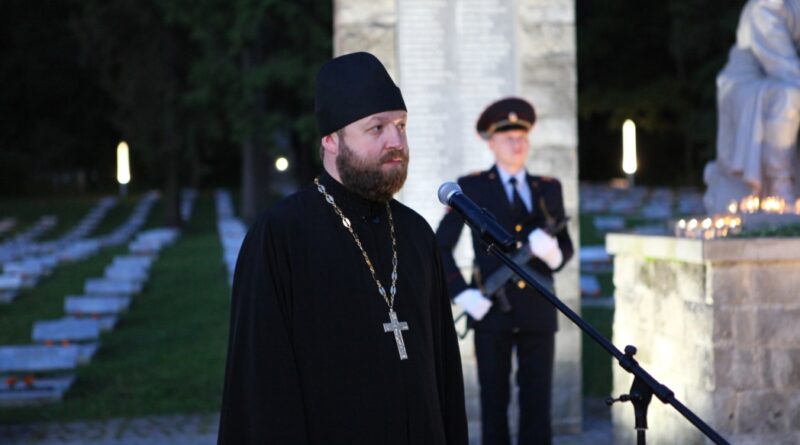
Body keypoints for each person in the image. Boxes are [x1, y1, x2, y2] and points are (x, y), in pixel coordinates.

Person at [217, 52, 468, 445]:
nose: (396, 141)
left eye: (401, 125)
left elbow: (446, 380)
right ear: (331, 140)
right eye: (377, 128)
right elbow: (260, 390)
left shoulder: (417, 234)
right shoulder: (280, 236)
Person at [435, 97, 573, 445]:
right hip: (491, 310)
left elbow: (565, 246)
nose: (516, 144)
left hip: (538, 308)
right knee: (493, 403)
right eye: (508, 137)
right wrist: (463, 294)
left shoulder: (548, 188)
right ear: (491, 142)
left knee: (537, 404)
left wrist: (553, 253)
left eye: (522, 136)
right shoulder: (474, 187)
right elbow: (439, 248)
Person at [715, 0, 800, 203]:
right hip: (746, 84)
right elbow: (781, 65)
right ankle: (779, 184)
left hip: (780, 78)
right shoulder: (765, 6)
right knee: (787, 97)